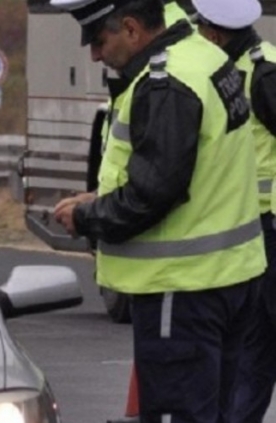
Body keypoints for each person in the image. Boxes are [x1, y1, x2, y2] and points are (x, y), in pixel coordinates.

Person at [50, 0, 266, 422]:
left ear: (131, 29)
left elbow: (152, 195)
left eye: (98, 40)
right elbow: (191, 170)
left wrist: (85, 219)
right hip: (231, 278)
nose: (94, 55)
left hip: (182, 288)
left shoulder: (165, 84)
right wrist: (100, 198)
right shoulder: (204, 57)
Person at [191, 1, 276, 422]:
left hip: (267, 226)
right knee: (251, 342)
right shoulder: (233, 67)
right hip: (245, 227)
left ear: (217, 32)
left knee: (258, 344)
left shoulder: (264, 72)